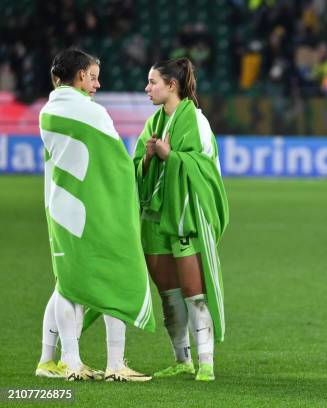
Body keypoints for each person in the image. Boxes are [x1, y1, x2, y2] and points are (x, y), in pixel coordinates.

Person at [37, 49, 154, 381]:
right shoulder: (94, 113)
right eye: (92, 76)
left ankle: (68, 362)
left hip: (61, 207)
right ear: (79, 77)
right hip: (97, 210)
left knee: (68, 283)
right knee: (113, 278)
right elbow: (117, 166)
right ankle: (114, 364)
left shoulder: (47, 112)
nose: (97, 84)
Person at [133, 58, 228, 382]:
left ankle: (206, 363)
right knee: (169, 294)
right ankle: (182, 359)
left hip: (184, 216)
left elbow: (207, 168)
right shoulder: (153, 123)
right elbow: (136, 166)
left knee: (194, 293)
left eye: (152, 82)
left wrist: (169, 156)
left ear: (171, 85)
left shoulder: (196, 121)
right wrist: (147, 157)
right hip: (156, 218)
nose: (147, 89)